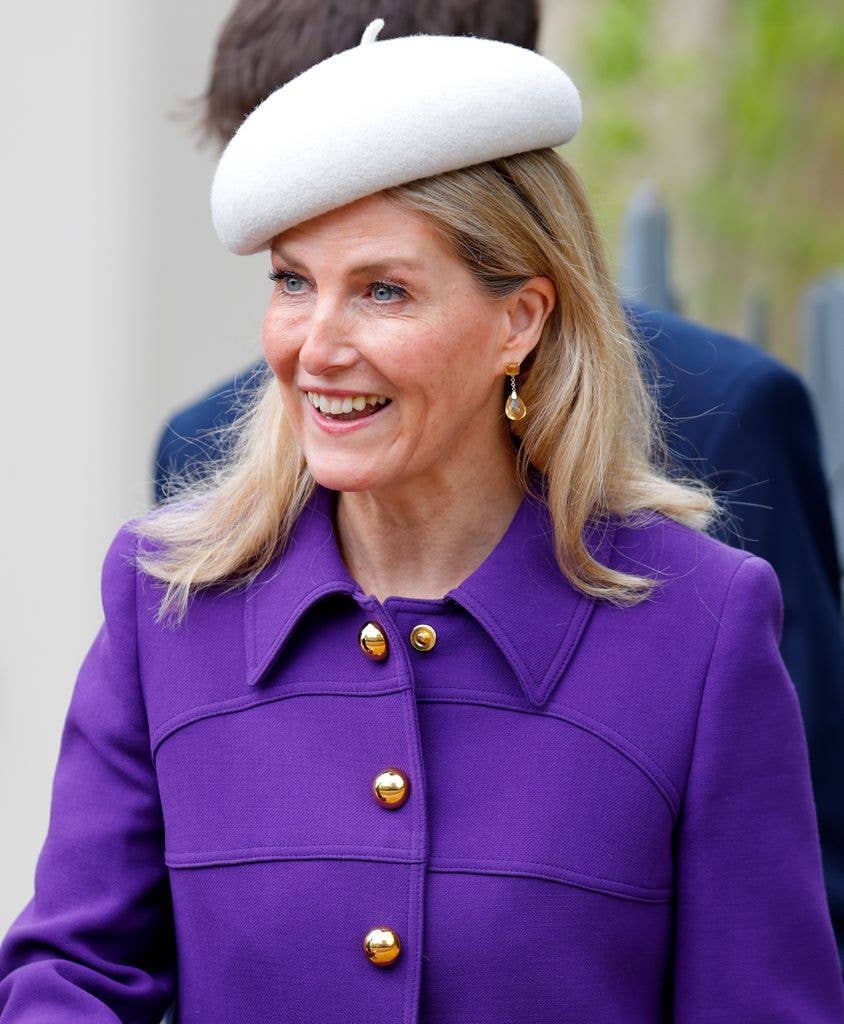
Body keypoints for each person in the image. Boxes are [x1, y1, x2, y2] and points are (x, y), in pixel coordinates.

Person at [2, 16, 844, 1022]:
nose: (316, 347)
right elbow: (74, 980)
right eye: (292, 282)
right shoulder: (168, 601)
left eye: (383, 291)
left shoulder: (699, 628)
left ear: (520, 320)